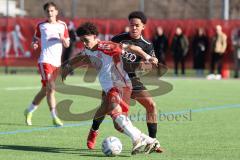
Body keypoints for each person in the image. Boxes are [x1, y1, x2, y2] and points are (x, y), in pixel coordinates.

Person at [68, 22, 160, 154]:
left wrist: (148, 57)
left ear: (94, 36)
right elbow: (84, 56)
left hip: (119, 85)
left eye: (86, 40)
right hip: (109, 87)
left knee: (115, 113)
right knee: (118, 125)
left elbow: (132, 48)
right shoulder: (88, 48)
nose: (84, 43)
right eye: (82, 40)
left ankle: (136, 139)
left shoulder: (106, 46)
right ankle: (150, 141)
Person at [24, 2, 70, 126]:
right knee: (51, 89)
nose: (49, 13)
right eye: (47, 11)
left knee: (45, 90)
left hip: (57, 63)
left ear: (56, 12)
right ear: (45, 13)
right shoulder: (41, 26)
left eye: (52, 11)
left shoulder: (62, 25)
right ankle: (54, 117)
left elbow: (67, 44)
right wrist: (35, 43)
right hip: (45, 61)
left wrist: (62, 39)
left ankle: (29, 110)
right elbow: (36, 38)